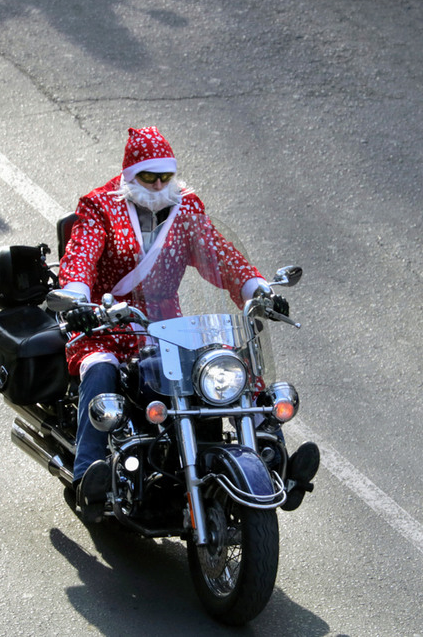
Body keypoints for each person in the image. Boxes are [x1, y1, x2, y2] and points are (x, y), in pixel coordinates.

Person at [56, 126, 319, 522]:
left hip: (165, 323)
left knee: (225, 365)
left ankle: (270, 448)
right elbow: (80, 259)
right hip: (106, 321)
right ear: (131, 174)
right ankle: (87, 476)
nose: (160, 184)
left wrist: (257, 290)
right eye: (150, 177)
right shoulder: (99, 207)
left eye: (166, 176)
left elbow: (221, 256)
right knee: (101, 369)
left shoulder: (187, 207)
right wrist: (76, 300)